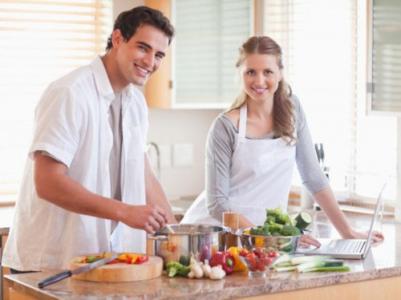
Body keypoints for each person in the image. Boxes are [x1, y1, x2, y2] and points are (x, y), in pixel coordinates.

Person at [2, 6, 176, 272]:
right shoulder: (70, 92)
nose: (151, 62)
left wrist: (178, 234)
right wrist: (125, 211)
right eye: (143, 48)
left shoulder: (135, 103)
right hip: (49, 265)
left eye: (159, 55)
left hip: (104, 263)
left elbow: (143, 174)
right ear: (117, 39)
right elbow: (48, 183)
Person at [182, 36, 384, 245]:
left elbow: (314, 177)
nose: (259, 81)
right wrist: (273, 236)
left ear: (280, 74)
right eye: (251, 72)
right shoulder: (225, 126)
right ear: (240, 74)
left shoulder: (292, 111)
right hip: (219, 236)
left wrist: (348, 232)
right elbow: (217, 205)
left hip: (265, 240)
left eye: (267, 72)